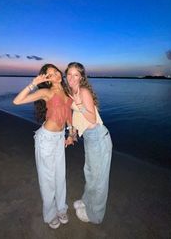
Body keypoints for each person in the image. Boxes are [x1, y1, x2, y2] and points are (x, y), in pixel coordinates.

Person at [13, 64, 73, 229]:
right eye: (51, 74)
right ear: (46, 79)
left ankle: (61, 209)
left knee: (60, 176)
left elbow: (68, 114)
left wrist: (71, 133)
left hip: (60, 138)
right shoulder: (46, 92)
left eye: (56, 72)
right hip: (46, 139)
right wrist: (33, 83)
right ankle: (50, 214)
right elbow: (17, 101)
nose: (56, 75)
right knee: (47, 180)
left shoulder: (67, 91)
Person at [65, 62, 112, 224]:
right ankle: (86, 202)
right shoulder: (72, 91)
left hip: (99, 138)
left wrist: (79, 104)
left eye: (75, 75)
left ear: (81, 77)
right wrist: (72, 133)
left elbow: (92, 118)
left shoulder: (83, 92)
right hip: (90, 138)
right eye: (69, 74)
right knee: (90, 174)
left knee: (98, 180)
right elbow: (76, 116)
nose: (71, 78)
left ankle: (95, 216)